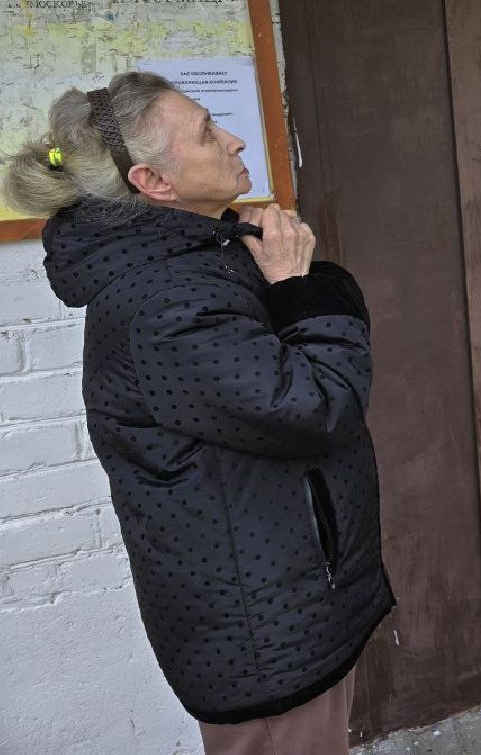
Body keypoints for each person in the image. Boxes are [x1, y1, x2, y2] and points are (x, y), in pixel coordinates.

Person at [1, 73, 392, 754]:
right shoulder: (167, 301)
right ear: (154, 182)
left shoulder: (193, 258)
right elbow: (316, 406)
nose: (235, 139)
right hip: (263, 630)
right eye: (209, 131)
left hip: (279, 602)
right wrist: (302, 287)